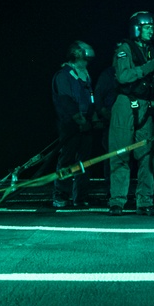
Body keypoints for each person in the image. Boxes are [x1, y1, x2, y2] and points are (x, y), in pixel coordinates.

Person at [107, 11, 154, 216]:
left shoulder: (151, 51)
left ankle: (145, 200)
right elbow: (123, 76)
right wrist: (147, 68)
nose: (151, 30)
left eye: (152, 27)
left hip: (146, 106)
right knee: (120, 153)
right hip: (125, 105)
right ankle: (117, 201)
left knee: (148, 156)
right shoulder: (125, 49)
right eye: (147, 27)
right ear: (137, 28)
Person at [51, 40, 98, 209]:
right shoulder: (64, 75)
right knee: (67, 159)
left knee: (84, 161)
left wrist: (91, 118)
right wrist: (79, 120)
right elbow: (66, 101)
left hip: (85, 125)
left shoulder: (85, 74)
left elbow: (89, 99)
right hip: (70, 125)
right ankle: (61, 194)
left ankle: (80, 196)